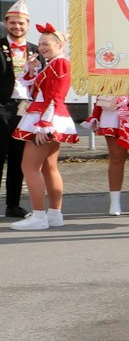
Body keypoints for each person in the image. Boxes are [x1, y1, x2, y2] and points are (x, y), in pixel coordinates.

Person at [8, 25, 76, 231]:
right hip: (46, 115)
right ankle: (54, 214)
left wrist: (43, 125)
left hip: (46, 117)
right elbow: (35, 89)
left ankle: (39, 216)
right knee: (48, 167)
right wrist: (32, 69)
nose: (41, 47)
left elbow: (54, 95)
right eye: (39, 44)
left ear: (59, 45)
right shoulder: (53, 64)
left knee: (29, 167)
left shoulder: (60, 64)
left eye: (46, 44)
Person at [86, 94, 129, 216]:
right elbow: (101, 89)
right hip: (112, 112)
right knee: (116, 159)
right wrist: (96, 115)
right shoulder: (108, 73)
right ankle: (115, 203)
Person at [0, 1, 31, 218]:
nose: (17, 26)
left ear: (27, 25)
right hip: (3, 106)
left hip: (27, 109)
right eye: (13, 22)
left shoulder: (37, 50)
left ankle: (13, 205)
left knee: (18, 158)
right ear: (5, 24)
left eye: (21, 23)